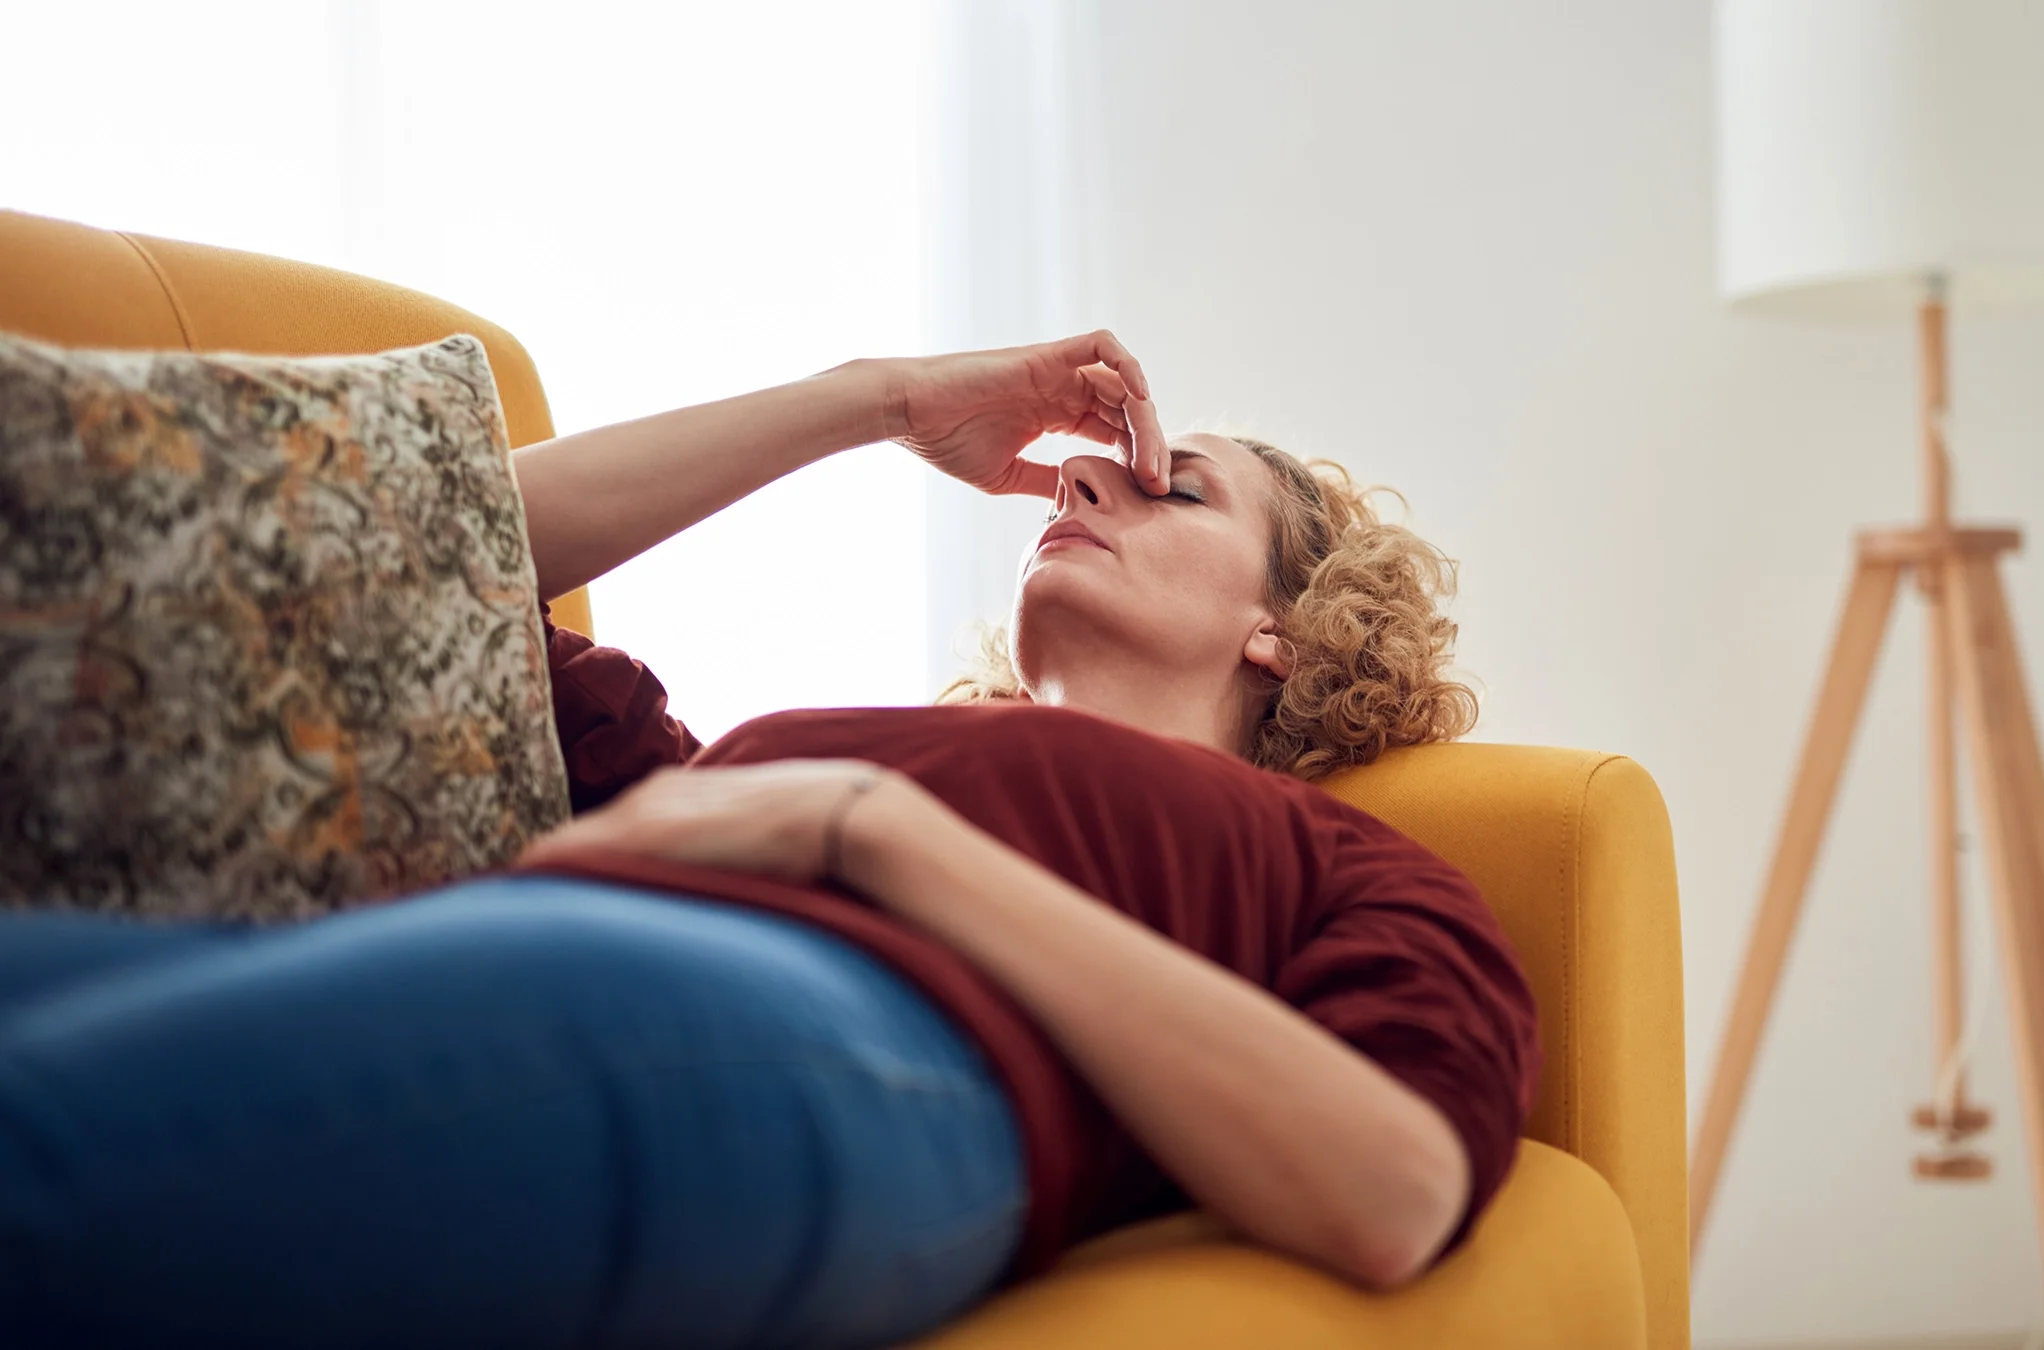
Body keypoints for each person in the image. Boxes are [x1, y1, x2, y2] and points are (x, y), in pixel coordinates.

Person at [0, 333, 1538, 1350]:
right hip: (546, 949)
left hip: (848, 1035)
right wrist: (878, 403)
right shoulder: (765, 759)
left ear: (1284, 626)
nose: (1083, 474)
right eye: (1095, 461)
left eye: (1167, 483)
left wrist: (861, 832)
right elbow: (417, 558)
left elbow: (1395, 1182)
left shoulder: (1330, 860)